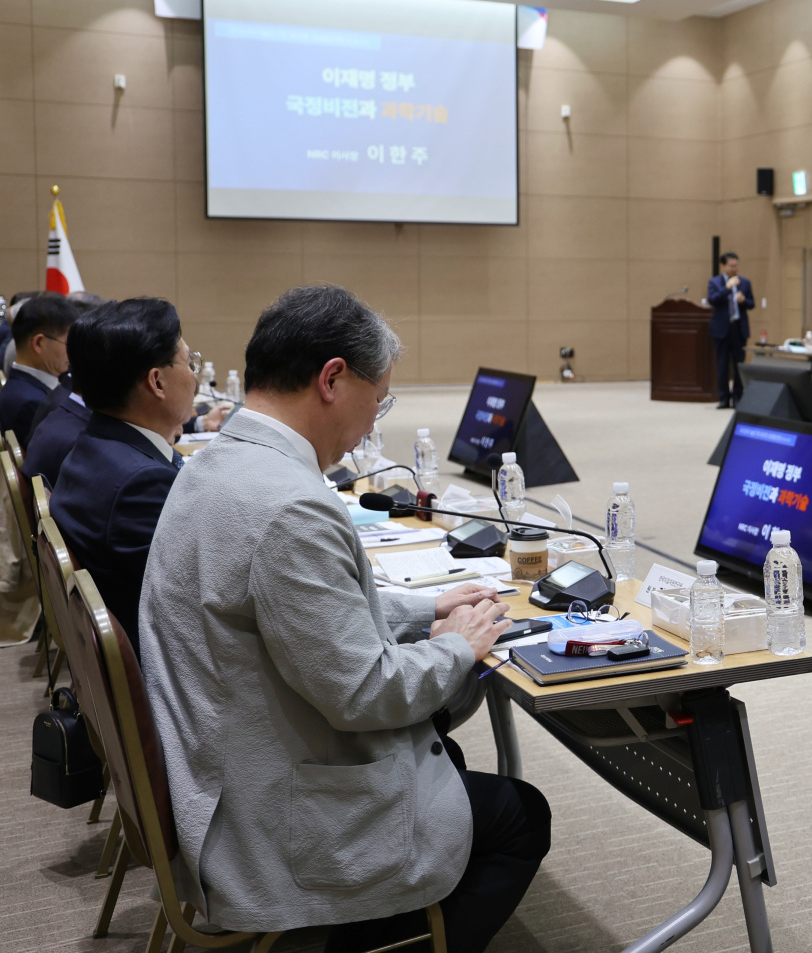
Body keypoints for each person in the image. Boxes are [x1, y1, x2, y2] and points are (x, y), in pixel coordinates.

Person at [138, 285, 549, 953]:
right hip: (267, 823)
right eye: (377, 400)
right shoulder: (290, 507)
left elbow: (292, 609)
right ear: (332, 379)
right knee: (521, 816)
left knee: (443, 755)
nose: (369, 425)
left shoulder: (214, 461)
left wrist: (427, 607)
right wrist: (454, 647)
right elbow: (363, 693)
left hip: (224, 773)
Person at [48, 299, 196, 651]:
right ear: (157, 382)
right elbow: (203, 593)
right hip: (169, 663)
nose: (194, 377)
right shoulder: (140, 485)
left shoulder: (95, 446)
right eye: (190, 363)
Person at [0, 293, 76, 445]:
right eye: (69, 343)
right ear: (39, 343)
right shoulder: (32, 404)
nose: (73, 351)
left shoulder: (21, 389)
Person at [706, 251, 755, 409]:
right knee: (722, 364)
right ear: (723, 266)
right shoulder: (715, 282)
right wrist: (727, 288)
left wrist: (743, 300)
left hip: (738, 328)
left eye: (736, 265)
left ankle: (738, 397)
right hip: (721, 329)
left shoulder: (745, 282)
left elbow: (751, 304)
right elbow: (712, 300)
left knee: (739, 364)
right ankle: (723, 398)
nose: (735, 269)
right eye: (731, 266)